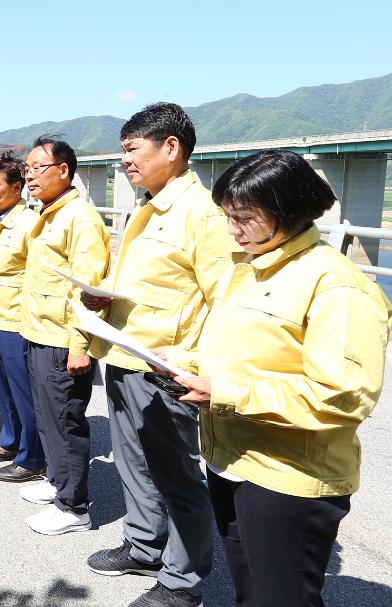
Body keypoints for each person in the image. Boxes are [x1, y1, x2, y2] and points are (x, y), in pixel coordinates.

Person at [165, 150, 391, 607]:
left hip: (289, 477)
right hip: (232, 458)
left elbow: (343, 397)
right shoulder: (248, 267)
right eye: (228, 216)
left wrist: (225, 392)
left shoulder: (337, 285)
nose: (232, 230)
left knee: (283, 598)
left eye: (244, 217)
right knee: (251, 591)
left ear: (287, 210)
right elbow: (237, 348)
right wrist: (182, 359)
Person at [81, 103, 231, 607]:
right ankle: (144, 544)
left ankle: (181, 581)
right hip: (124, 355)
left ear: (171, 147)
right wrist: (104, 294)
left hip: (166, 368)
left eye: (131, 150)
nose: (125, 161)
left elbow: (222, 301)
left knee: (177, 475)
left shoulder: (203, 215)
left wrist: (194, 364)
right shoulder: (147, 205)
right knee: (132, 464)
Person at [16, 138, 110, 535]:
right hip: (40, 330)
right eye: (27, 169)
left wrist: (79, 347)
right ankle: (57, 481)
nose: (30, 175)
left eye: (38, 167)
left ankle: (74, 507)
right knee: (47, 417)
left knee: (65, 421)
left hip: (61, 339)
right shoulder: (51, 213)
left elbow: (87, 288)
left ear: (64, 171)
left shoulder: (80, 219)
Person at [0, 152, 47, 483]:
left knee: (23, 392)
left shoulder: (29, 224)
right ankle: (11, 440)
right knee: (3, 389)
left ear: (17, 188)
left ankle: (33, 457)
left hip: (15, 321)